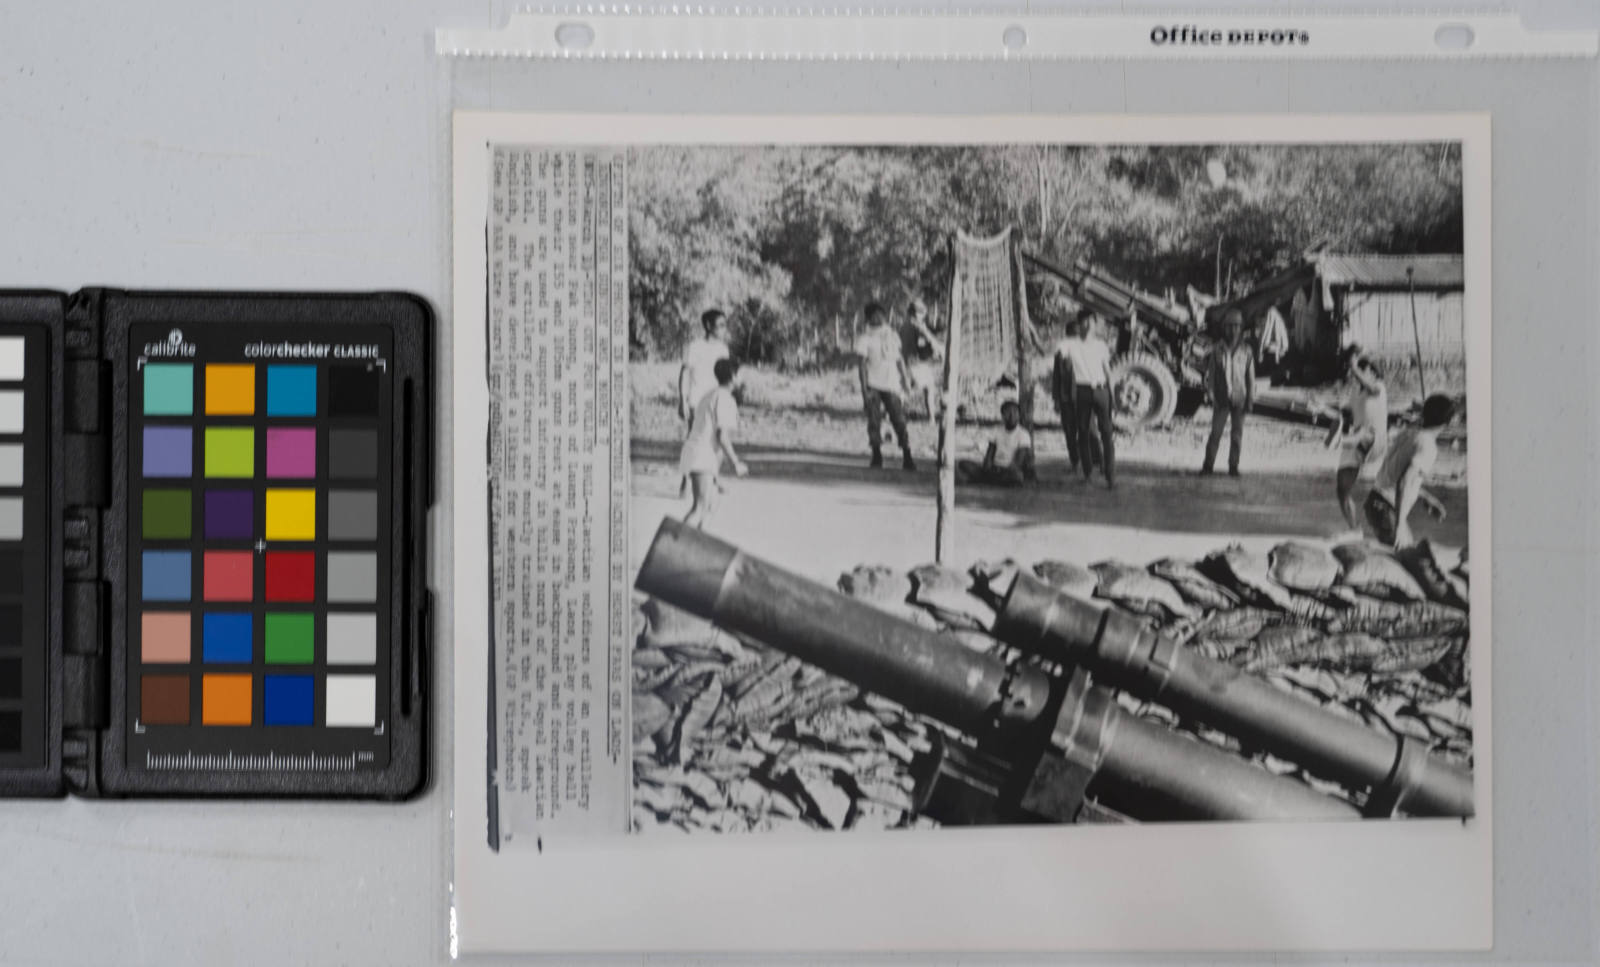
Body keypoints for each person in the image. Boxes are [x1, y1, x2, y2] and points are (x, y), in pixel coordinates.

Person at [1363, 393, 1453, 549]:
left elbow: (1397, 476)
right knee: (1406, 557)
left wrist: (1426, 497)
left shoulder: (1407, 433)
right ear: (1448, 422)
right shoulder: (1428, 446)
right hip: (1386, 509)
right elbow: (1404, 481)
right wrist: (1398, 527)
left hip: (1375, 501)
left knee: (1408, 554)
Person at [678, 357, 748, 530]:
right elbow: (722, 436)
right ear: (732, 377)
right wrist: (736, 463)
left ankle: (698, 545)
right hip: (701, 455)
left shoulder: (711, 394)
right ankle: (673, 546)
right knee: (699, 508)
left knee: (711, 506)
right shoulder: (724, 399)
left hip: (700, 454)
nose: (742, 379)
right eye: (740, 375)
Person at [853, 302, 915, 470]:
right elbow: (862, 366)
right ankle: (876, 455)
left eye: (881, 314)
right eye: (875, 315)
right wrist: (864, 390)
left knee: (899, 420)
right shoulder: (864, 338)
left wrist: (905, 380)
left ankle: (907, 456)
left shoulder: (892, 335)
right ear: (869, 318)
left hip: (892, 384)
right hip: (874, 384)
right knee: (874, 421)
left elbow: (899, 360)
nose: (879, 318)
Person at [1058, 309, 1115, 488]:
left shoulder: (1101, 345)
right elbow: (1061, 363)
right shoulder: (1069, 345)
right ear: (1079, 324)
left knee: (1106, 433)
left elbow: (1108, 371)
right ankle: (1088, 474)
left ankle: (1110, 475)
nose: (1089, 326)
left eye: (1092, 322)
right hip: (1082, 391)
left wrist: (1112, 396)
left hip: (1101, 389)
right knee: (1083, 433)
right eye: (1085, 322)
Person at [1333, 346, 1389, 531]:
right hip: (1358, 437)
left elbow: (1370, 386)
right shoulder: (1356, 393)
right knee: (1342, 488)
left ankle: (1388, 523)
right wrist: (1320, 407)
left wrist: (1353, 366)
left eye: (1363, 371)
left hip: (1373, 439)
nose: (1358, 377)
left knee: (1379, 489)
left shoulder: (1378, 388)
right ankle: (1354, 528)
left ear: (1373, 372)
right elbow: (1345, 413)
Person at [1201, 309, 1255, 477]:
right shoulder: (1217, 350)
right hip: (1221, 398)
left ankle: (1233, 467)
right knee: (1215, 434)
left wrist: (1250, 400)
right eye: (1230, 326)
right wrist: (1210, 394)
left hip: (1240, 398)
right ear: (1224, 328)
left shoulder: (1247, 350)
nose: (1233, 330)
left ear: (1241, 328)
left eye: (1237, 326)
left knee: (1237, 436)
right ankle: (1208, 466)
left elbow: (1250, 378)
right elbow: (1210, 375)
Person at [956, 399, 1036, 486]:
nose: (1011, 416)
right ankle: (991, 480)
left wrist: (1004, 469)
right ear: (1003, 415)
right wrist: (988, 466)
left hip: (1009, 470)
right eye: (1008, 412)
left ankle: (987, 480)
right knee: (964, 464)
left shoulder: (1023, 434)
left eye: (1015, 412)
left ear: (1019, 415)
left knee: (1016, 476)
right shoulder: (997, 431)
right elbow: (989, 454)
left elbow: (1018, 462)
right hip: (995, 468)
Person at [679, 309, 730, 426]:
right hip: (697, 401)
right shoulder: (695, 347)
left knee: (715, 439)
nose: (724, 329)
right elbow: (684, 374)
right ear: (708, 325)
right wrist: (683, 401)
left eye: (725, 325)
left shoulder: (723, 349)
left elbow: (725, 378)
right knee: (695, 438)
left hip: (716, 401)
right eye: (721, 325)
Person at [899, 297, 945, 420]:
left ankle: (891, 415)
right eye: (922, 314)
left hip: (903, 361)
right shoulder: (917, 325)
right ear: (917, 313)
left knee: (904, 389)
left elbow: (918, 342)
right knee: (929, 387)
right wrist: (941, 349)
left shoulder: (903, 326)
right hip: (915, 362)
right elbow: (929, 338)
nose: (924, 317)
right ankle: (931, 418)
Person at [1049, 313, 1083, 474]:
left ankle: (1089, 462)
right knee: (1069, 431)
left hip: (1083, 397)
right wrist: (1055, 399)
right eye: (1071, 335)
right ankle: (1075, 462)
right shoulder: (1061, 353)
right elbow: (1056, 376)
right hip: (1066, 398)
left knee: (1086, 431)